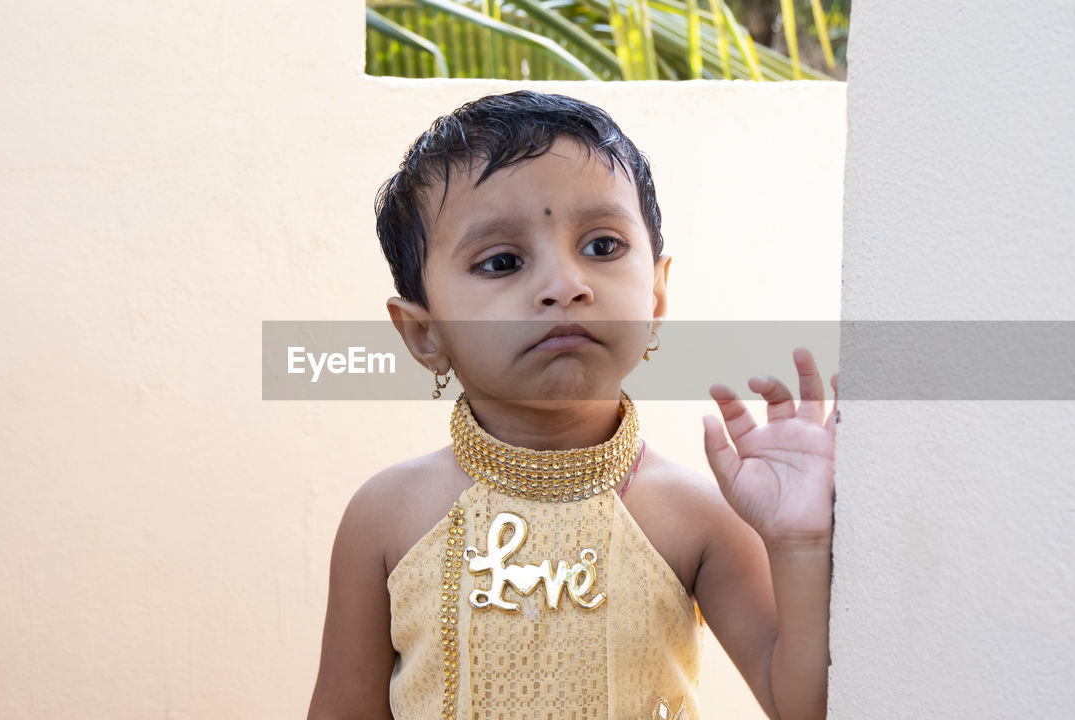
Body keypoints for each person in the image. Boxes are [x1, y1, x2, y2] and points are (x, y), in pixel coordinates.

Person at [307, 90, 837, 720]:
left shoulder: (698, 517)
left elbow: (806, 708)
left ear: (658, 295)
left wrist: (800, 544)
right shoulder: (386, 517)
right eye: (502, 261)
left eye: (602, 247)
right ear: (425, 334)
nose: (565, 285)